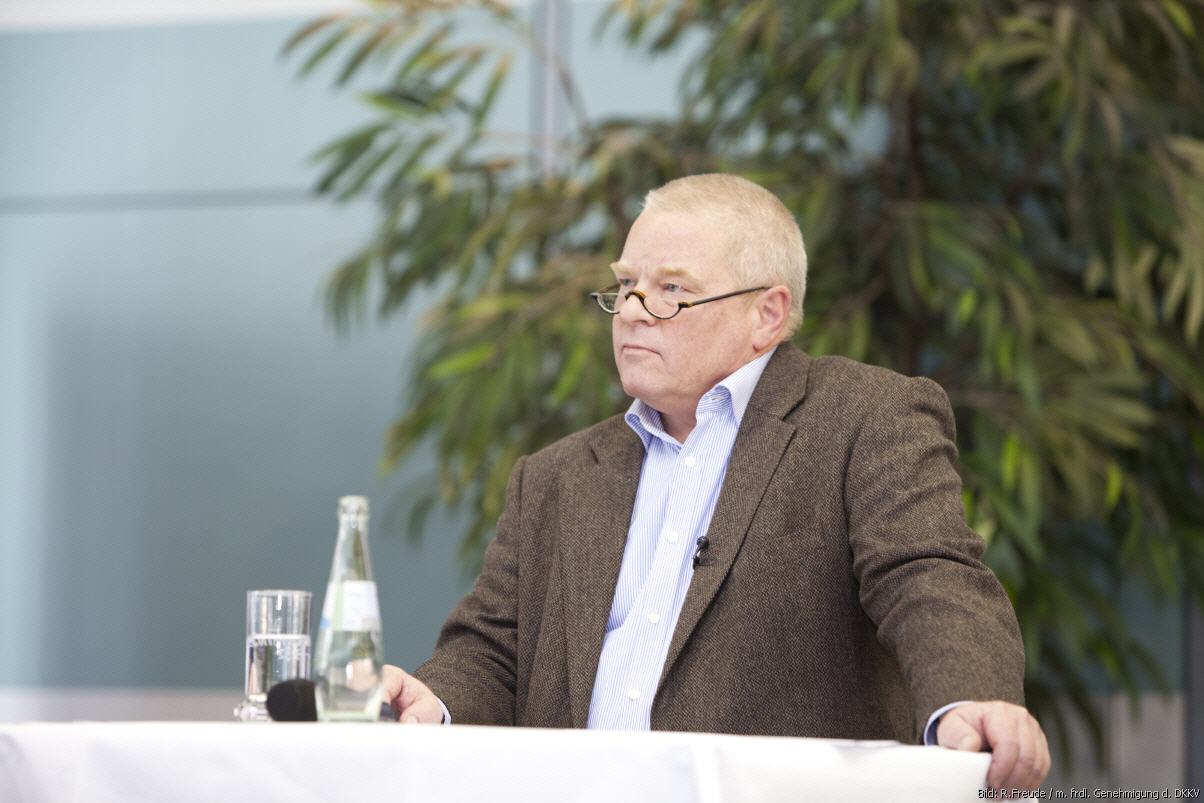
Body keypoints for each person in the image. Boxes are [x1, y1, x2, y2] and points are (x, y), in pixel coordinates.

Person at [382, 174, 1050, 791]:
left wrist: (970, 701)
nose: (634, 310)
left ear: (767, 314)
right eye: (627, 284)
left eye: (673, 289)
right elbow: (491, 650)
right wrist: (432, 701)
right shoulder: (555, 476)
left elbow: (928, 575)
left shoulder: (862, 419)